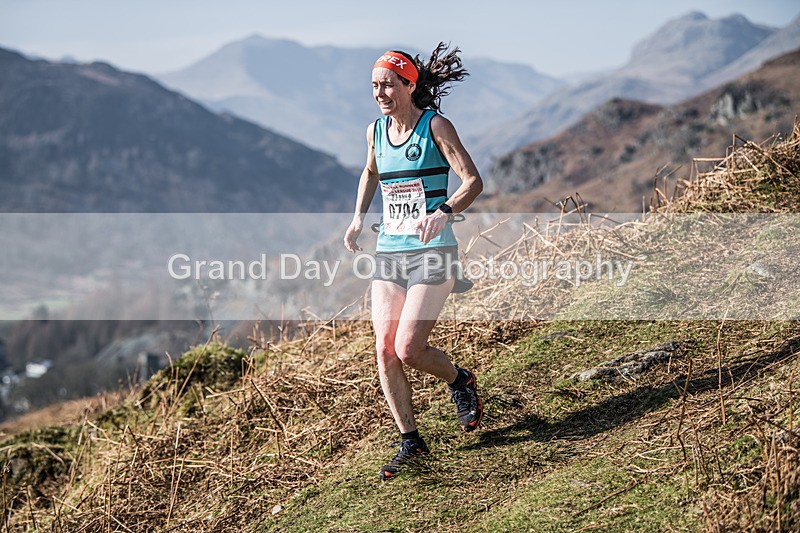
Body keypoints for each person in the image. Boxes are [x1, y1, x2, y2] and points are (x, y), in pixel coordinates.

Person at [343, 43, 484, 480]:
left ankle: (460, 380)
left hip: (434, 252)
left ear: (409, 84)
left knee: (409, 348)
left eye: (387, 84)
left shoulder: (435, 126)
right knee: (385, 350)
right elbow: (370, 172)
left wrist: (443, 212)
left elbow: (473, 180)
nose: (380, 92)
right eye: (374, 86)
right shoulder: (375, 131)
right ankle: (411, 441)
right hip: (390, 252)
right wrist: (356, 220)